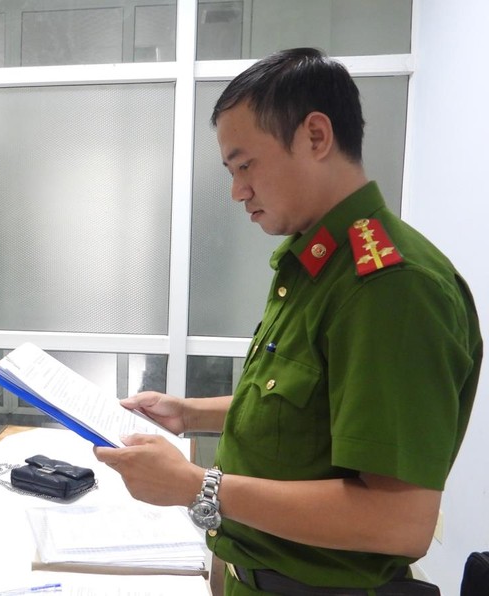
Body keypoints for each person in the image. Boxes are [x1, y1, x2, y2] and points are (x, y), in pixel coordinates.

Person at [95, 47, 482, 596]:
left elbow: (399, 523)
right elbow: (310, 410)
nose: (237, 191)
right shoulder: (318, 262)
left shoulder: (390, 287)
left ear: (316, 137)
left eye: (245, 164)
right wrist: (189, 413)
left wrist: (197, 485)